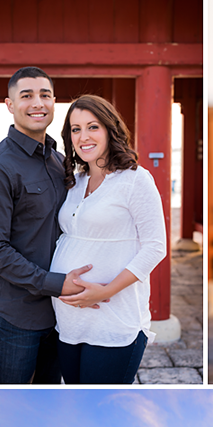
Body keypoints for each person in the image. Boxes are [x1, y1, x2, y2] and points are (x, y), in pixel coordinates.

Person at [0, 66, 88, 385]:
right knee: (8, 409)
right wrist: (55, 283)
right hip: (13, 314)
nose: (38, 103)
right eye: (26, 95)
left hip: (59, 312)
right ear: (10, 105)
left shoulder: (57, 158)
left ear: (54, 102)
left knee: (45, 406)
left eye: (45, 95)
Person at [52, 96, 168, 385]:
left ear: (110, 129)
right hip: (69, 319)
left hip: (114, 317)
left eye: (93, 127)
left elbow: (155, 246)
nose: (83, 136)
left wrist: (105, 291)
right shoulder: (75, 180)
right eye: (75, 129)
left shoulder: (135, 180)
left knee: (99, 412)